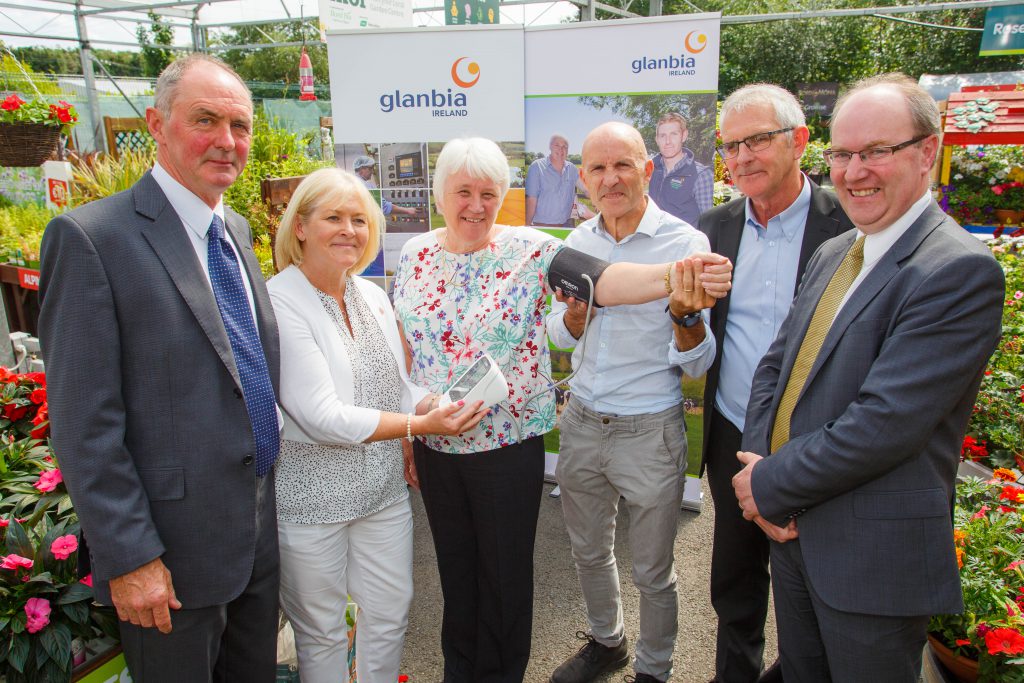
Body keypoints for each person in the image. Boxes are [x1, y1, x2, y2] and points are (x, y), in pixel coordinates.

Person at [391, 136, 732, 683]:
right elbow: (404, 350)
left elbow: (608, 282)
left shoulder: (534, 249)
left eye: (488, 192)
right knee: (456, 574)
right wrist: (410, 428)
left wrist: (677, 277)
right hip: (437, 447)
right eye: (463, 192)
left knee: (507, 581)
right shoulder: (414, 254)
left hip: (509, 447)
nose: (476, 205)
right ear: (439, 195)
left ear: (504, 195)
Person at [733, 73, 1004, 681]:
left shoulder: (956, 270)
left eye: (876, 151)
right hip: (794, 534)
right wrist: (759, 463)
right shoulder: (839, 251)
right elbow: (775, 367)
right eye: (843, 154)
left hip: (869, 560)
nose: (854, 172)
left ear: (927, 151)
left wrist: (771, 485)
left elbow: (885, 423)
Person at [39, 54, 282, 682]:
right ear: (157, 123)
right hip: (168, 558)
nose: (228, 142)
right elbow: (83, 423)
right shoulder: (93, 238)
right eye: (206, 120)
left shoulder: (234, 229)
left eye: (241, 126)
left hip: (254, 537)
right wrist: (131, 558)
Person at [266, 167, 486, 683]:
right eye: (334, 218)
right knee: (321, 632)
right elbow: (322, 417)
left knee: (389, 616)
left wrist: (435, 401)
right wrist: (420, 424)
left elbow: (396, 385)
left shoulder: (371, 295)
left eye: (360, 220)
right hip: (310, 502)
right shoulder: (280, 300)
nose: (349, 230)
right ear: (299, 227)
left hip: (382, 494)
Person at [546, 121, 718, 683]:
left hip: (651, 428)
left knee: (653, 571)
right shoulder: (576, 245)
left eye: (623, 164)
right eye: (597, 167)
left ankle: (654, 670)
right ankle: (607, 642)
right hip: (584, 422)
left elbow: (696, 362)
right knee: (588, 552)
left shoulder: (686, 247)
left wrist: (686, 317)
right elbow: (559, 338)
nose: (610, 178)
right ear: (583, 179)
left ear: (647, 170)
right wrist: (574, 316)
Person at [697, 84, 853, 683]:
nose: (741, 158)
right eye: (731, 145)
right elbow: (700, 329)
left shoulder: (849, 221)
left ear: (800, 141)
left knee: (813, 583)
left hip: (818, 441)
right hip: (734, 431)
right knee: (735, 583)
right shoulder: (715, 224)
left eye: (757, 140)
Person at [648, 113, 714, 227]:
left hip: (687, 243)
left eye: (674, 134)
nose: (667, 141)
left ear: (684, 136)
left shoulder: (701, 175)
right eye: (663, 136)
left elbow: (710, 224)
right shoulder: (650, 171)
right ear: (657, 139)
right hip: (656, 242)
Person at [526, 134, 586, 227]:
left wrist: (598, 203)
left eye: (564, 147)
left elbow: (585, 189)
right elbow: (531, 199)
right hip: (543, 226)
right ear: (550, 146)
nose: (561, 150)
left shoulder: (572, 168)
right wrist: (527, 226)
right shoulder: (537, 167)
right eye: (557, 145)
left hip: (566, 224)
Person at [353, 154, 418, 219]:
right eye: (370, 168)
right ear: (362, 169)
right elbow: (383, 206)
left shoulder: (352, 182)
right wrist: (407, 210)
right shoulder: (365, 185)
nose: (372, 171)